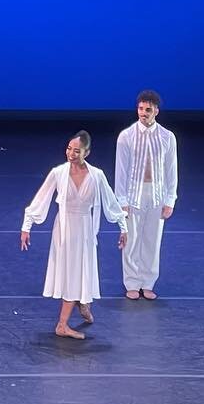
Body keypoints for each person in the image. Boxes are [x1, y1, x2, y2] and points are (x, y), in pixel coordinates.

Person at [20, 131, 127, 339]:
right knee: (70, 273)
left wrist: (124, 227)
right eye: (69, 149)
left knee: (81, 270)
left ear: (87, 152)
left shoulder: (97, 175)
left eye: (77, 151)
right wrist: (27, 226)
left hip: (84, 229)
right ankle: (62, 324)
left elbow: (111, 204)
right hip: (64, 231)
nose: (71, 153)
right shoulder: (58, 173)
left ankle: (82, 302)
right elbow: (41, 199)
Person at [114, 89, 178, 300]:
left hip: (157, 194)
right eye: (140, 109)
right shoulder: (126, 136)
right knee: (131, 239)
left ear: (156, 111)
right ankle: (132, 283)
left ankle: (148, 282)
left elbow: (171, 170)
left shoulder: (167, 137)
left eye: (147, 110)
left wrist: (170, 200)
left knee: (152, 239)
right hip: (134, 192)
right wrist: (121, 201)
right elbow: (121, 171)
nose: (143, 113)